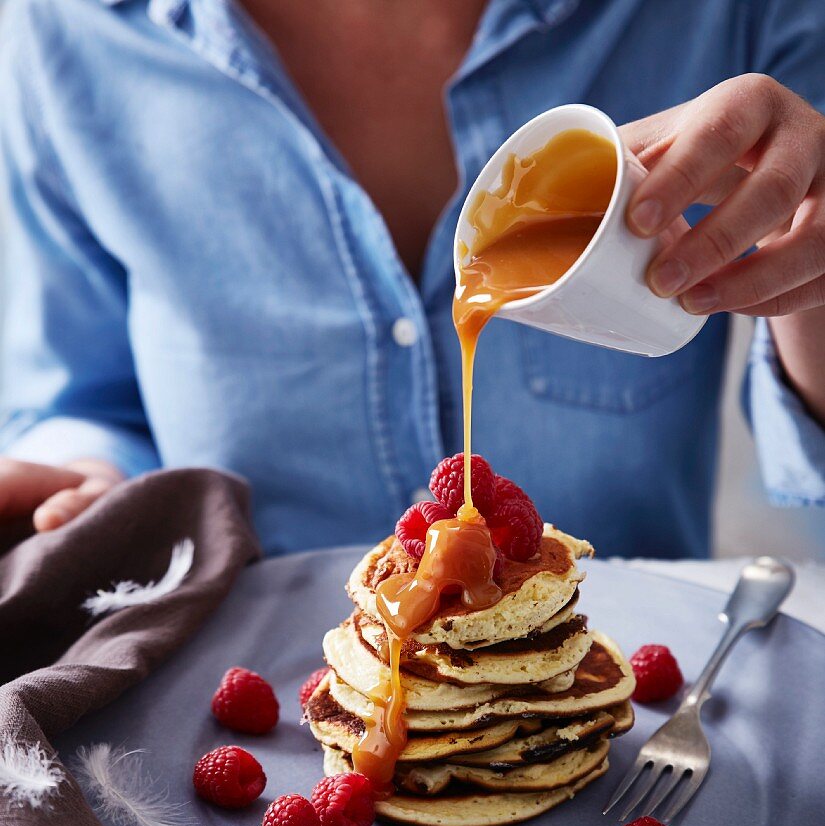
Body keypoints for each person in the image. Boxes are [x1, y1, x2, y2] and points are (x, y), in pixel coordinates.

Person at [1, 0, 824, 559]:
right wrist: (91, 481)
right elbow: (86, 396)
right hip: (250, 739)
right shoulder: (67, 33)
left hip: (629, 738)